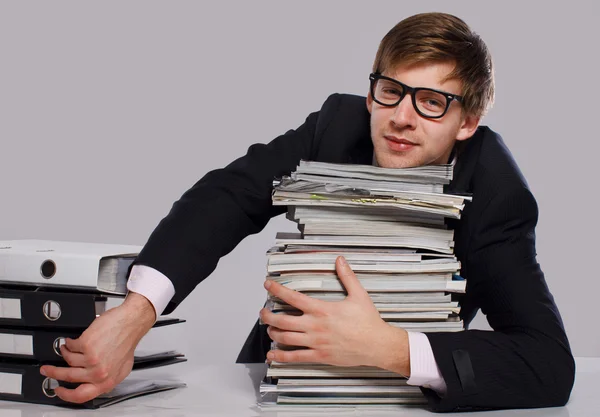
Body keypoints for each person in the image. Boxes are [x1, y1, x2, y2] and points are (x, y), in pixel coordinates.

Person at [40, 12, 575, 412]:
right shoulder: (335, 126)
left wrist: (387, 348)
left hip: (404, 399)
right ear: (371, 95)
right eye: (391, 92)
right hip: (286, 380)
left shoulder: (496, 188)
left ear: (467, 122)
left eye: (432, 102)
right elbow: (227, 197)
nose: (402, 118)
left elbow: (548, 363)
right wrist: (136, 314)